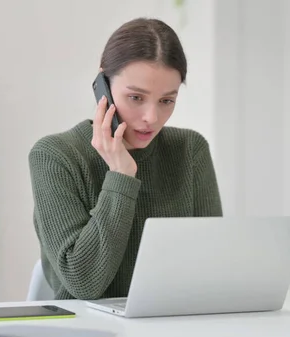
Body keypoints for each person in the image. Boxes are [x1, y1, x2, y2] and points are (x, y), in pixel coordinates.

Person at [28, 17, 223, 300]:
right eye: (136, 98)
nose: (151, 118)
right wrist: (120, 175)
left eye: (167, 100)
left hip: (174, 324)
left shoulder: (190, 150)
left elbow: (213, 267)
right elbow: (83, 283)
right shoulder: (55, 156)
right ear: (102, 85)